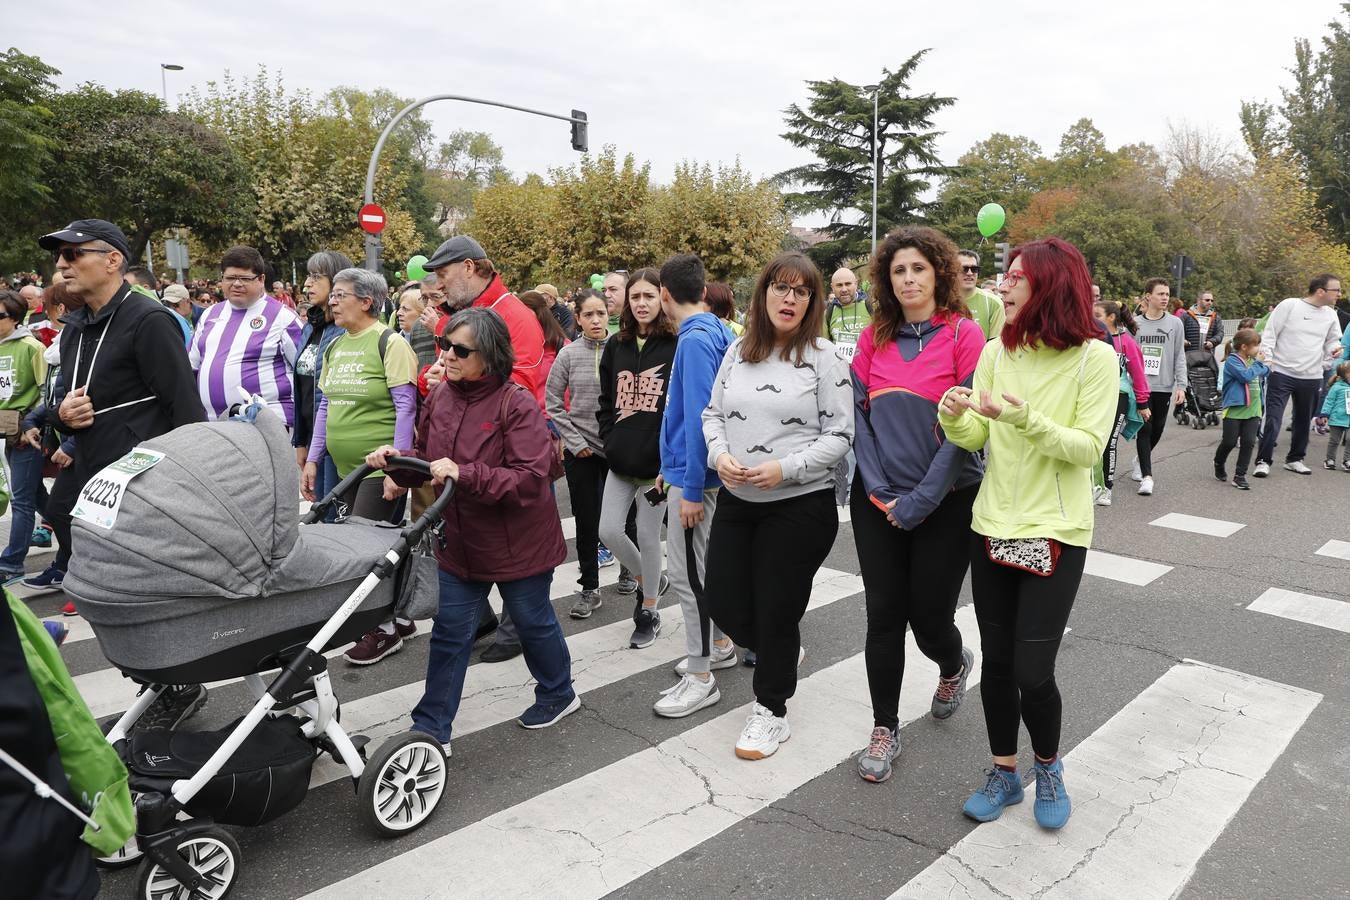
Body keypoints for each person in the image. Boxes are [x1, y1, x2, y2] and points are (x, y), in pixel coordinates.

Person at [938, 236, 1117, 831]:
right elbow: (972, 441)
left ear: (1051, 286)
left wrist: (1023, 417)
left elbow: (1087, 449)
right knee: (996, 660)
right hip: (991, 526)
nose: (1004, 286)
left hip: (1056, 531)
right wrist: (953, 412)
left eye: (1017, 277)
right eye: (1006, 276)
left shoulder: (1096, 358)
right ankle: (1003, 771)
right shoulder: (997, 352)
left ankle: (1049, 766)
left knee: (1032, 671)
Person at [373, 307, 578, 750]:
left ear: (490, 355)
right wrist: (397, 462)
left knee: (531, 621)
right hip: (461, 543)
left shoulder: (516, 402)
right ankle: (431, 728)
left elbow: (530, 477)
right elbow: (430, 461)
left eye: (460, 349)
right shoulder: (443, 396)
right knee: (450, 632)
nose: (446, 354)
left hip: (519, 544)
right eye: (445, 344)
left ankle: (559, 692)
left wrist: (466, 474)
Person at [39, 218, 206, 726]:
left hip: (144, 487)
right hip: (93, 479)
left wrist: (188, 488)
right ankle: (157, 678)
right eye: (59, 257)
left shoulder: (148, 320)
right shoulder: (75, 327)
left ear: (112, 260)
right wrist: (60, 419)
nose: (62, 265)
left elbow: (187, 412)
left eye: (74, 254)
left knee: (146, 594)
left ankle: (180, 683)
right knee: (99, 580)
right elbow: (63, 403)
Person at [848, 228, 986, 783]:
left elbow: (965, 429)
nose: (908, 279)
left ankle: (952, 664)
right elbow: (859, 418)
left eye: (918, 270)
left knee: (930, 617)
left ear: (939, 276)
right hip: (879, 502)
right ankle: (885, 726)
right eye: (898, 271)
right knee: (883, 616)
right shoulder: (872, 338)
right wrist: (882, 494)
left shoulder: (964, 335)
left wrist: (922, 500)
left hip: (947, 501)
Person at [702, 251, 853, 753]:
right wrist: (719, 455)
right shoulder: (738, 350)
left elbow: (840, 436)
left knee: (775, 609)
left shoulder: (824, 357)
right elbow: (712, 414)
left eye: (802, 291)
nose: (790, 299)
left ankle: (771, 709)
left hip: (799, 506)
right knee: (722, 598)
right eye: (781, 288)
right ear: (763, 292)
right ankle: (782, 651)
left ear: (813, 302)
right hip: (737, 499)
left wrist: (784, 468)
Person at [300, 269, 419, 666]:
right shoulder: (334, 346)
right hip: (343, 467)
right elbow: (324, 406)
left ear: (366, 302)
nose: (331, 301)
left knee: (369, 554)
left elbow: (406, 406)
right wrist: (314, 459)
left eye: (340, 294)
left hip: (378, 468)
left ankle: (382, 630)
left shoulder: (390, 343)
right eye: (332, 295)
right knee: (365, 546)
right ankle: (400, 617)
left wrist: (397, 469)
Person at [652, 254, 735, 718]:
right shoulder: (711, 331)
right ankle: (718, 645)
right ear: (703, 289)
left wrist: (687, 484)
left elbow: (702, 416)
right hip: (695, 476)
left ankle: (702, 675)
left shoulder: (696, 339)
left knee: (689, 577)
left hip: (698, 482)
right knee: (699, 571)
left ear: (666, 293)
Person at [597, 268, 676, 649]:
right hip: (619, 460)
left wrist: (670, 459)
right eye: (635, 297)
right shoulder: (616, 345)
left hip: (656, 470)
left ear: (662, 298)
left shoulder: (675, 344)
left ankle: (648, 611)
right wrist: (610, 440)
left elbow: (677, 410)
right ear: (627, 302)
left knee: (647, 536)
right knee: (608, 530)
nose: (641, 304)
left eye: (648, 296)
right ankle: (650, 579)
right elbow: (605, 402)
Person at [424, 235, 546, 409]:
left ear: (468, 267)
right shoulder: (454, 315)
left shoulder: (518, 317)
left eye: (442, 275)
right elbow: (443, 367)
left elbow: (520, 389)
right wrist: (428, 378)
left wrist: (451, 379)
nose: (439, 285)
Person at [546, 292, 610, 619]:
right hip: (581, 449)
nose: (596, 320)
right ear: (579, 318)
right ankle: (590, 587)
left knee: (623, 518)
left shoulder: (621, 349)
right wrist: (573, 440)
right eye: (589, 314)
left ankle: (631, 572)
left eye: (601, 313)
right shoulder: (568, 354)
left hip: (617, 449)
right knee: (586, 519)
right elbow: (553, 401)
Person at [190, 246, 302, 426]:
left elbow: (307, 372)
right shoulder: (209, 314)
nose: (237, 284)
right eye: (230, 278)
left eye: (244, 278)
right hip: (214, 426)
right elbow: (192, 366)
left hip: (267, 426)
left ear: (261, 279)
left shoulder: (283, 318)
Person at [1253, 274, 1344, 477]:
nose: (1339, 294)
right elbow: (1270, 333)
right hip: (1281, 372)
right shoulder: (1290, 305)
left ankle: (1295, 459)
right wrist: (1268, 362)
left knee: (1303, 420)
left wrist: (1334, 349)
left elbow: (1332, 340)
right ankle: (1263, 461)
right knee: (1274, 419)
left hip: (1311, 376)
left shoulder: (1330, 314)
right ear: (1321, 291)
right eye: (1336, 290)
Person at [292, 250, 351, 515]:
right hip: (313, 440)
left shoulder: (346, 331)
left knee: (333, 518)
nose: (307, 284)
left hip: (335, 445)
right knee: (321, 515)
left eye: (316, 277)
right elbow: (302, 388)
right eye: (308, 276)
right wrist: (301, 442)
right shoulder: (310, 326)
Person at [0, 290, 49, 581]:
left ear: (15, 317)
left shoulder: (32, 346)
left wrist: (31, 425)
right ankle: (73, 537)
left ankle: (11, 563)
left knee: (22, 499)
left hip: (25, 434)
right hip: (5, 431)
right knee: (37, 495)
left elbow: (46, 392)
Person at [1131, 277, 1187, 495]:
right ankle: (1147, 477)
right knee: (1144, 429)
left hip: (1164, 386)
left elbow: (1179, 356)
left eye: (1167, 294)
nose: (1165, 298)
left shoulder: (1175, 323)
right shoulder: (1135, 324)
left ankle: (1140, 459)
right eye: (1160, 294)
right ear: (1148, 296)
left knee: (1157, 430)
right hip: (1141, 387)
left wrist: (1182, 385)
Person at [1092, 300, 1150, 506]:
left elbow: (1138, 374)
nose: (1092, 319)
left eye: (1097, 315)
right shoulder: (1092, 340)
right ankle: (1091, 483)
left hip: (1119, 397)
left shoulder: (1127, 343)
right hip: (1095, 395)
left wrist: (1143, 404)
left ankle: (1107, 487)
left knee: (1110, 442)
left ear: (1111, 318)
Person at [1215, 328, 1270, 489]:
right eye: (1256, 346)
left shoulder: (1253, 360)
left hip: (1254, 410)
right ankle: (1219, 462)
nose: (1259, 349)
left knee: (1249, 442)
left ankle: (1240, 475)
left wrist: (1261, 366)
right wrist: (1259, 364)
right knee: (1229, 442)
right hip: (1235, 409)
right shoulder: (1233, 361)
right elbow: (1245, 376)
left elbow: (1267, 371)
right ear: (1244, 347)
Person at [519, 290, 570, 388]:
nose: (523, 318)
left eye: (526, 313)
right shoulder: (515, 346)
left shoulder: (564, 348)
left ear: (540, 314)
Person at [822, 266, 871, 357]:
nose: (844, 289)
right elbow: (824, 348)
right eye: (839, 285)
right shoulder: (828, 313)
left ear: (856, 284)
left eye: (848, 284)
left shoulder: (870, 306)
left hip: (867, 367)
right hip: (841, 368)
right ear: (832, 287)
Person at [958, 249, 1005, 341]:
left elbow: (995, 346)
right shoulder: (939, 300)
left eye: (974, 269)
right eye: (964, 269)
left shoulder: (994, 303)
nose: (970, 273)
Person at [1317, 360, 1350, 470]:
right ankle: (1330, 459)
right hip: (1337, 418)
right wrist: (1325, 414)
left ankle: (1347, 460)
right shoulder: (1337, 387)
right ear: (1343, 374)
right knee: (1334, 441)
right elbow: (1329, 401)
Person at [397, 284, 438, 369]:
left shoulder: (432, 337)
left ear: (422, 311)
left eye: (405, 309)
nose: (398, 313)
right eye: (400, 308)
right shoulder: (394, 340)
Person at [602, 270, 628, 335]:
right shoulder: (595, 325)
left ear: (628, 292)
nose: (606, 295)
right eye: (604, 290)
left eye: (613, 289)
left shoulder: (639, 325)